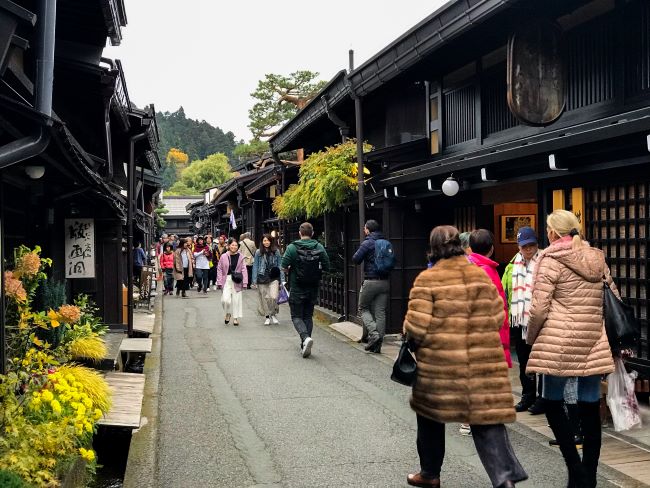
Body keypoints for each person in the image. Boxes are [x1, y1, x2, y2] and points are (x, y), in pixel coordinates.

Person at [403, 225, 527, 488]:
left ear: (434, 247)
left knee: (430, 418)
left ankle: (430, 473)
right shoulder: (479, 275)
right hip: (481, 362)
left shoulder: (429, 278)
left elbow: (415, 327)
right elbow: (497, 315)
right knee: (485, 421)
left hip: (441, 365)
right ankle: (505, 480)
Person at [526, 210, 616, 488]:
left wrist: (531, 338)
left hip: (558, 341)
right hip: (592, 339)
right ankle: (588, 477)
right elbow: (612, 297)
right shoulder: (596, 257)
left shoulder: (550, 258)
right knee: (589, 405)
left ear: (553, 233)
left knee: (552, 402)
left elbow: (539, 308)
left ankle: (575, 470)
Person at [501, 227, 544, 414]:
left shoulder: (544, 262)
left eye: (532, 245)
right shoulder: (512, 266)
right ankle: (527, 395)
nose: (528, 249)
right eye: (524, 246)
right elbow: (504, 291)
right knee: (524, 360)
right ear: (519, 246)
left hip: (539, 320)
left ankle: (542, 399)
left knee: (541, 361)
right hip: (518, 320)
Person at [281, 222, 330, 358]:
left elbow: (284, 266)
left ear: (300, 233)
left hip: (296, 287)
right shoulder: (319, 246)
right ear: (312, 233)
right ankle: (305, 343)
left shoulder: (292, 248)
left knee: (296, 316)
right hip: (313, 287)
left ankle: (305, 338)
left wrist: (291, 269)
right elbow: (327, 266)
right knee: (308, 316)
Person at [352, 219, 392, 353]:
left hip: (371, 281)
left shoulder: (368, 242)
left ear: (368, 229)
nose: (364, 230)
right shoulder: (386, 242)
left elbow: (356, 259)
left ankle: (374, 335)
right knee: (380, 312)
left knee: (362, 308)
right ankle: (377, 345)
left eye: (364, 228)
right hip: (385, 282)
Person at [252, 234, 285, 325]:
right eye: (264, 241)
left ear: (271, 241)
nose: (266, 242)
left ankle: (273, 314)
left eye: (268, 240)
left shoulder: (276, 252)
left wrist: (282, 280)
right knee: (264, 298)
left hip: (274, 277)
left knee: (273, 297)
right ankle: (267, 316)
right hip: (262, 277)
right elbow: (255, 266)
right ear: (262, 242)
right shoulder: (258, 252)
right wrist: (254, 280)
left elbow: (280, 265)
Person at [217, 237, 248, 326]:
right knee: (225, 300)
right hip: (226, 279)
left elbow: (244, 269)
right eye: (232, 245)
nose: (234, 247)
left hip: (237, 279)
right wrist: (219, 281)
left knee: (236, 299)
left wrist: (245, 282)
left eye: (236, 245)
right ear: (229, 246)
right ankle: (227, 313)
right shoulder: (224, 256)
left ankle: (235, 318)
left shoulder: (241, 256)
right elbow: (219, 269)